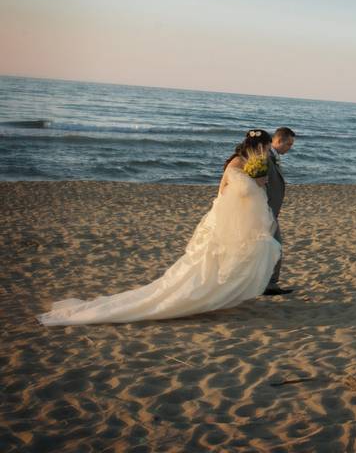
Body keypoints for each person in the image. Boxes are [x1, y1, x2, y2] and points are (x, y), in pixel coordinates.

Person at [37, 131, 281, 326]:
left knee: (228, 258)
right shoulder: (237, 163)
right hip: (221, 220)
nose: (268, 150)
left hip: (229, 219)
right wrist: (255, 183)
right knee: (204, 262)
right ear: (257, 146)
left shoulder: (249, 163)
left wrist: (257, 183)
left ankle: (215, 294)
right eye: (266, 146)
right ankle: (191, 296)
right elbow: (233, 191)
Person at [262, 126, 295, 295]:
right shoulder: (266, 158)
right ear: (278, 141)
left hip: (270, 211)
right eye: (289, 144)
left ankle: (266, 283)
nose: (290, 148)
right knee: (276, 247)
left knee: (270, 248)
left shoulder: (272, 157)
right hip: (265, 212)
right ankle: (270, 285)